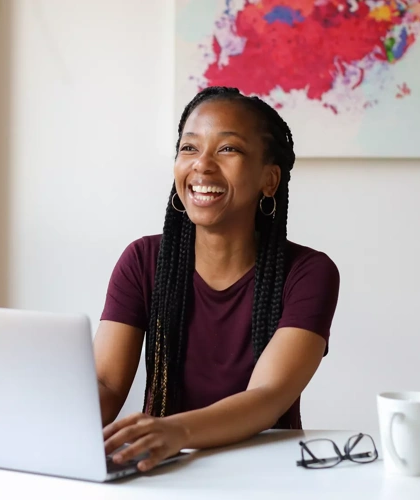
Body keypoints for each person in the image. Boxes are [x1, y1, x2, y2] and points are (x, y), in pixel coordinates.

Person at [98, 86, 340, 472]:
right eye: (189, 148)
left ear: (269, 180)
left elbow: (268, 395)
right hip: (161, 472)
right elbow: (107, 386)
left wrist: (176, 431)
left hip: (271, 475)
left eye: (228, 149)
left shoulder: (308, 273)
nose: (202, 165)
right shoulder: (142, 260)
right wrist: (41, 418)